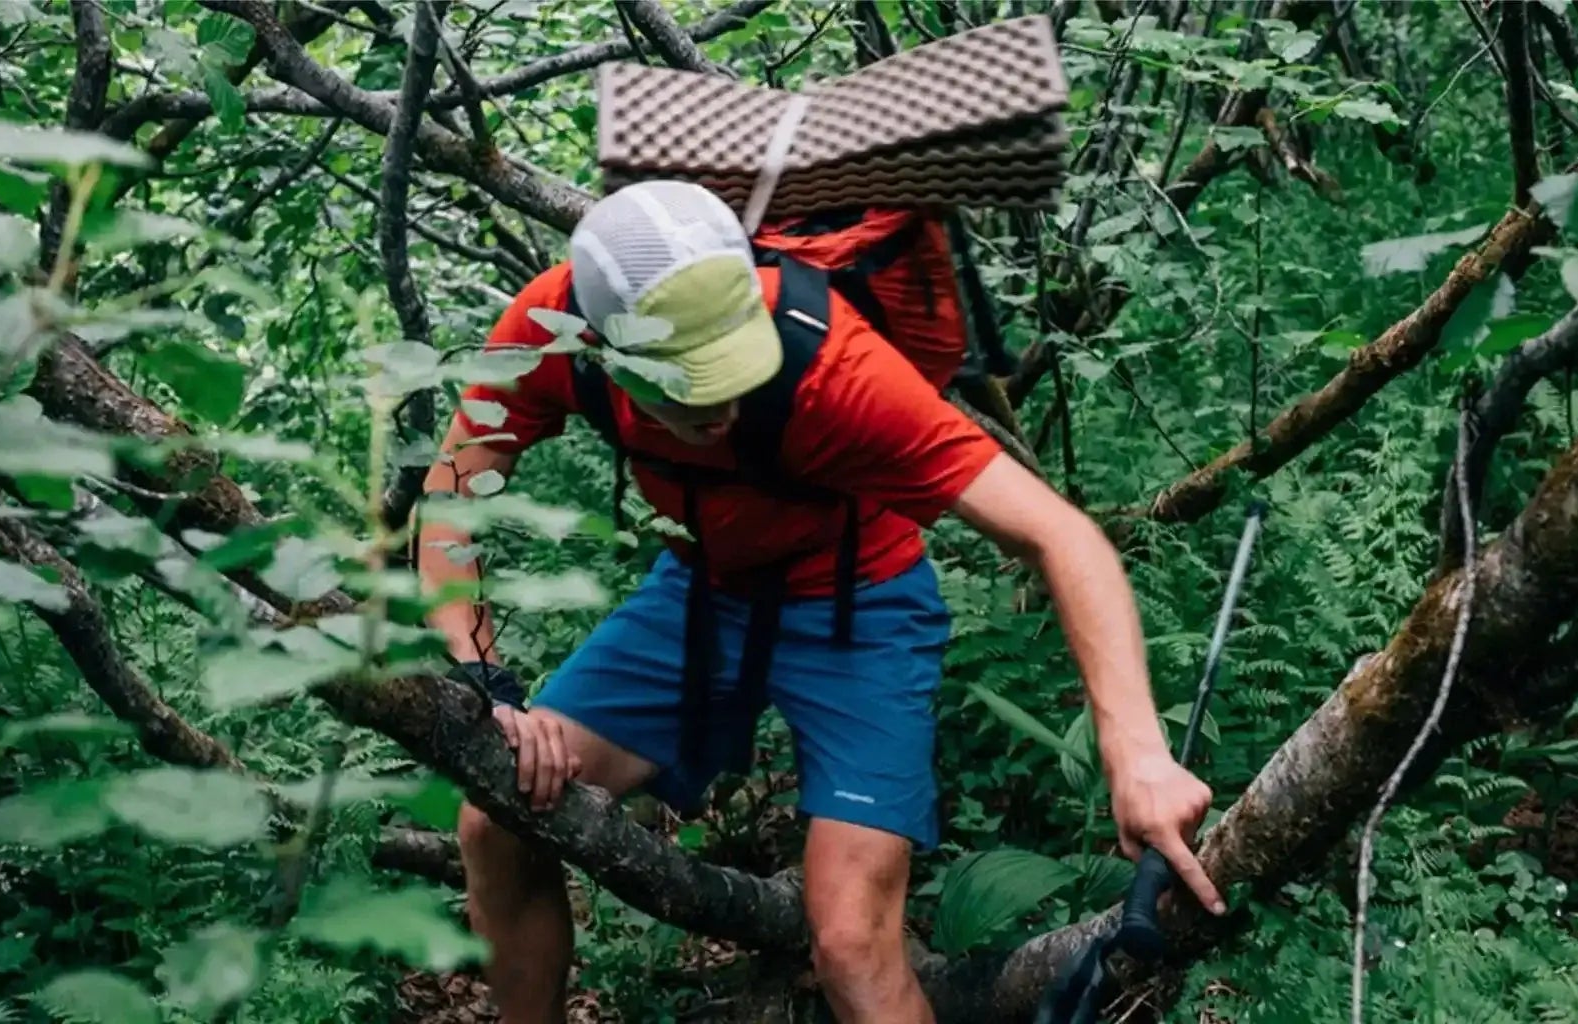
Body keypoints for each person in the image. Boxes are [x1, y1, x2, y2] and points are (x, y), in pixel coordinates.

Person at [415, 180, 1221, 1024]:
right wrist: (490, 689)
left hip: (860, 601)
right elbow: (451, 501)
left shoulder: (830, 360)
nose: (721, 406)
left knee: (851, 940)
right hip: (698, 591)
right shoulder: (550, 334)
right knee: (494, 821)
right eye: (688, 386)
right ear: (607, 348)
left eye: (731, 369)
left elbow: (1061, 536)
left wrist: (1137, 754)